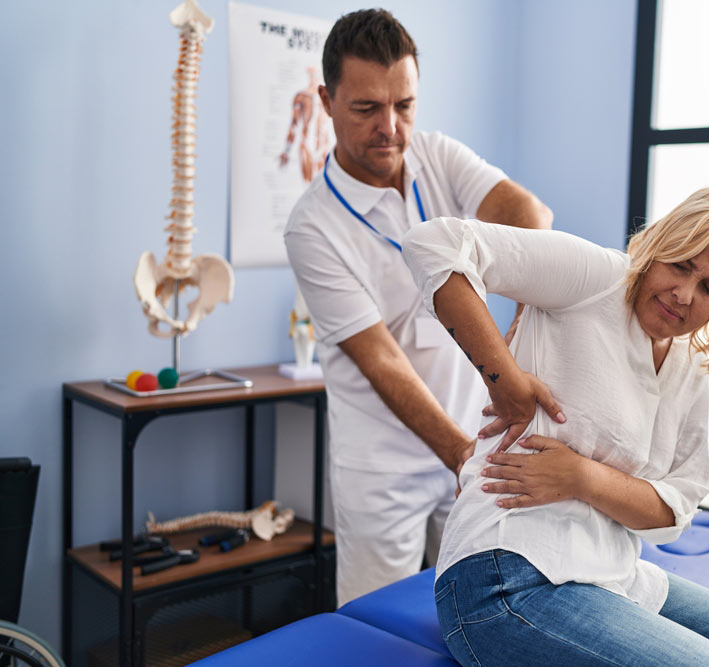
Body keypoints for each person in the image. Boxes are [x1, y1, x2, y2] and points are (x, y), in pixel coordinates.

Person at [402, 187, 709, 666]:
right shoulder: (597, 277)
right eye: (681, 264)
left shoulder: (687, 366)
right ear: (661, 244)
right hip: (505, 576)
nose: (684, 295)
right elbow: (434, 243)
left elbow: (673, 511)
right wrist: (504, 378)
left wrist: (582, 478)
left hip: (616, 575)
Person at [284, 8, 556, 606]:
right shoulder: (313, 227)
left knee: (484, 610)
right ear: (327, 100)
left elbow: (531, 219)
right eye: (366, 109)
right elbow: (381, 361)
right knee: (374, 629)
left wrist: (513, 319)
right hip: (384, 470)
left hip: (474, 441)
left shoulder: (436, 157)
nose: (390, 127)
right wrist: (460, 453)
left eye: (404, 106)